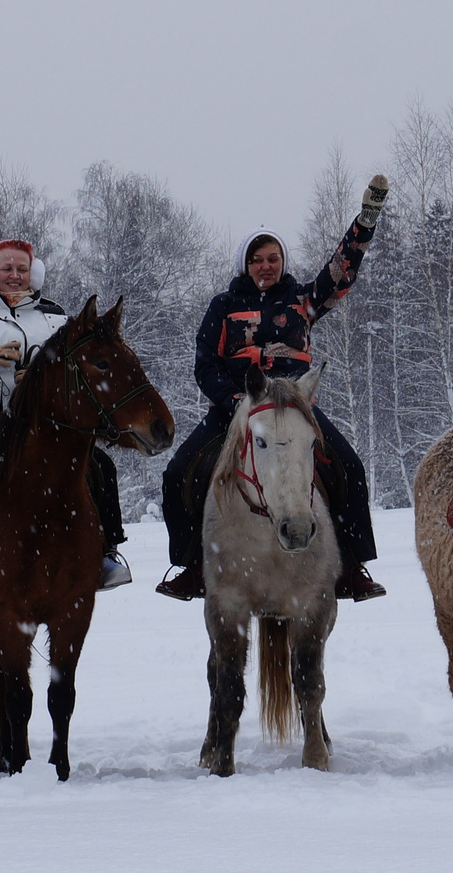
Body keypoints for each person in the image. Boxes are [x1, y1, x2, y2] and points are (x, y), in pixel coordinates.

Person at [157, 177, 394, 603]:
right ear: (244, 265)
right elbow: (205, 364)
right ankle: (191, 565)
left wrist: (365, 222)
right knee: (179, 473)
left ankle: (351, 567)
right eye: (257, 260)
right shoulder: (223, 307)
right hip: (235, 406)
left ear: (282, 262)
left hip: (294, 407)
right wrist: (235, 401)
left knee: (349, 469)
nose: (266, 266)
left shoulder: (303, 300)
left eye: (273, 258)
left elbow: (342, 272)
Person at [0, 239, 132, 611]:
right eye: (7, 269)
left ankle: (108, 553)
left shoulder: (55, 320)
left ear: (34, 274)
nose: (14, 276)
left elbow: (71, 376)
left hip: (40, 432)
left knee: (101, 467)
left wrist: (37, 381)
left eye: (22, 269)